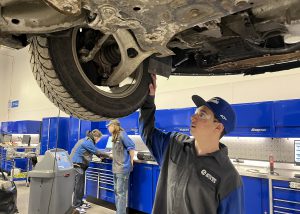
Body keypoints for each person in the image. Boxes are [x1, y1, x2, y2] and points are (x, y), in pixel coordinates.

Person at [139, 74, 244, 214]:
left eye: (202, 115)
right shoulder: (174, 144)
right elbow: (148, 132)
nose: (193, 117)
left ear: (218, 127)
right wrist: (147, 100)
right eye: (196, 112)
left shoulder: (229, 177)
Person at [70, 129, 109, 214]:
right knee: (78, 186)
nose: (98, 141)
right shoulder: (88, 142)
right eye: (99, 139)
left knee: (81, 185)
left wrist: (99, 155)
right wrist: (110, 155)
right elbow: (96, 151)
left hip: (79, 165)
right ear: (96, 137)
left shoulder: (86, 140)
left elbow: (92, 152)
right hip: (77, 165)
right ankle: (76, 206)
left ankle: (80, 202)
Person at [106, 119, 135, 214]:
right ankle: (119, 211)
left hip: (122, 169)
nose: (108, 128)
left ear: (114, 125)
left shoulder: (122, 134)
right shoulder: (114, 136)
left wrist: (131, 161)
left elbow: (131, 147)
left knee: (121, 193)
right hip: (115, 168)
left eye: (109, 126)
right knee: (117, 192)